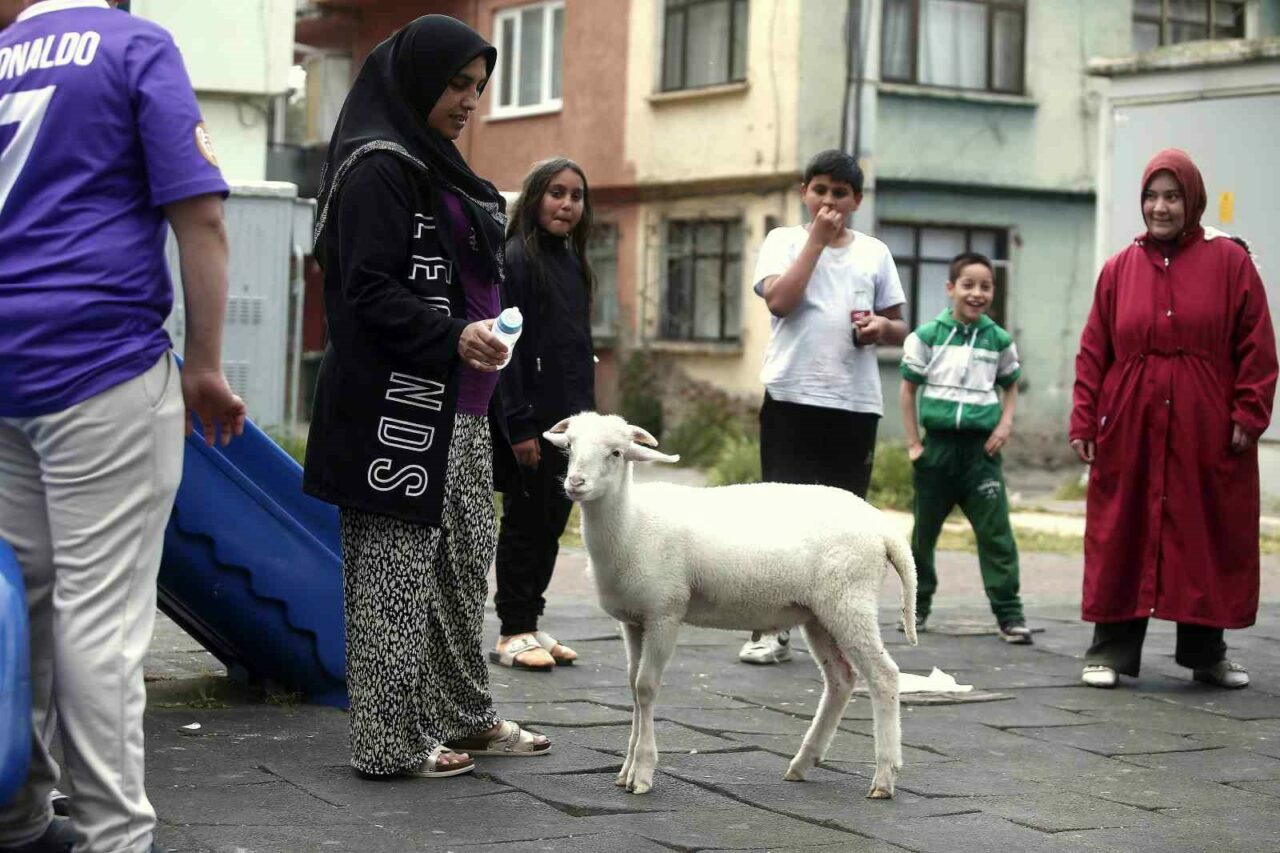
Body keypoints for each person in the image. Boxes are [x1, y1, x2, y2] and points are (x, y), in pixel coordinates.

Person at [0, 1, 245, 851]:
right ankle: (113, 836)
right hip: (96, 363)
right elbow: (202, 215)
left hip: (5, 373)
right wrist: (206, 365)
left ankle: (20, 816)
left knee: (20, 609)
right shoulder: (134, 45)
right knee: (98, 618)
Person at [302, 15, 549, 781]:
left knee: (458, 574)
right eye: (456, 84)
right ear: (416, 81)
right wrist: (451, 335)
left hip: (464, 406)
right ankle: (387, 740)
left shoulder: (437, 163)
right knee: (393, 581)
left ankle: (463, 716)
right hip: (393, 411)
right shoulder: (380, 166)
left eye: (479, 87)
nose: (470, 100)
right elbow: (365, 289)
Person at [1070, 148, 1276, 690]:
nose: (1160, 208)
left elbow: (1257, 344)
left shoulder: (1231, 263)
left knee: (1205, 528)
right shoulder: (1118, 269)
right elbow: (1095, 349)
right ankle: (1110, 650)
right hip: (1130, 422)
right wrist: (1085, 420)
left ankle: (1206, 653)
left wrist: (1250, 411)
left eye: (1172, 196)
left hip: (1206, 423)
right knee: (1124, 528)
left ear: (1193, 200)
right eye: (1151, 196)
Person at [742, 148, 908, 664]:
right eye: (820, 190)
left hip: (854, 402)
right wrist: (815, 242)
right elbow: (780, 302)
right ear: (804, 193)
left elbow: (901, 324)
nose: (829, 201)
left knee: (844, 521)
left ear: (857, 200)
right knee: (780, 517)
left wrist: (882, 329)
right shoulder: (784, 241)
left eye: (840, 193)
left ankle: (836, 622)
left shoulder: (874, 252)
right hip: (792, 395)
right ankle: (770, 627)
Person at [491, 158, 596, 671]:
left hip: (570, 424)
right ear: (535, 198)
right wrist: (520, 423)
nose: (568, 204)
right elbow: (506, 347)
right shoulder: (517, 259)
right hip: (531, 422)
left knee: (553, 520)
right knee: (524, 522)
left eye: (576, 196)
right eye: (557, 193)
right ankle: (512, 630)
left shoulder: (573, 263)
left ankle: (532, 620)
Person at [899, 253, 1031, 644]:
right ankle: (917, 609)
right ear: (951, 288)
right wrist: (914, 445)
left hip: (980, 456)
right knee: (923, 535)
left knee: (996, 535)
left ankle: (1009, 614)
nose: (976, 293)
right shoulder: (927, 337)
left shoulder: (999, 340)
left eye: (985, 286)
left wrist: (1005, 423)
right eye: (968, 285)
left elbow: (1010, 386)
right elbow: (908, 391)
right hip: (936, 452)